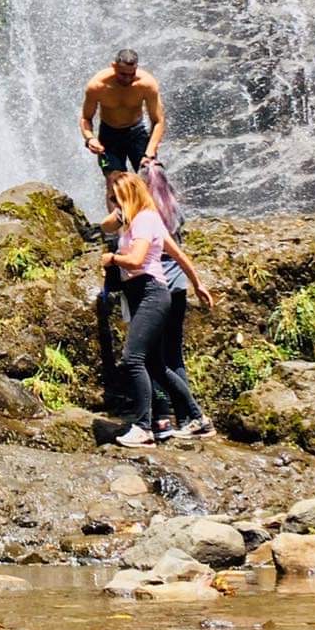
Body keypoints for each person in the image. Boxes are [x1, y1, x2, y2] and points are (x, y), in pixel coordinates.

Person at [103, 169, 214, 448]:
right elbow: (179, 255)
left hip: (150, 291)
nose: (114, 203)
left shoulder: (143, 220)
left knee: (133, 359)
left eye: (117, 198)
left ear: (128, 195)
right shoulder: (142, 219)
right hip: (143, 293)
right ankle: (198, 419)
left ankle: (143, 428)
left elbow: (138, 259)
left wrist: (113, 259)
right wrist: (198, 284)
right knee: (155, 365)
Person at [80, 49, 165, 172]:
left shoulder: (147, 84)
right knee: (115, 180)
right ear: (113, 66)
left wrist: (150, 151)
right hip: (109, 134)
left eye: (132, 74)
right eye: (123, 74)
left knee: (149, 175)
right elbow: (85, 118)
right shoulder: (97, 86)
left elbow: (158, 120)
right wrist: (90, 138)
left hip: (137, 133)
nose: (127, 79)